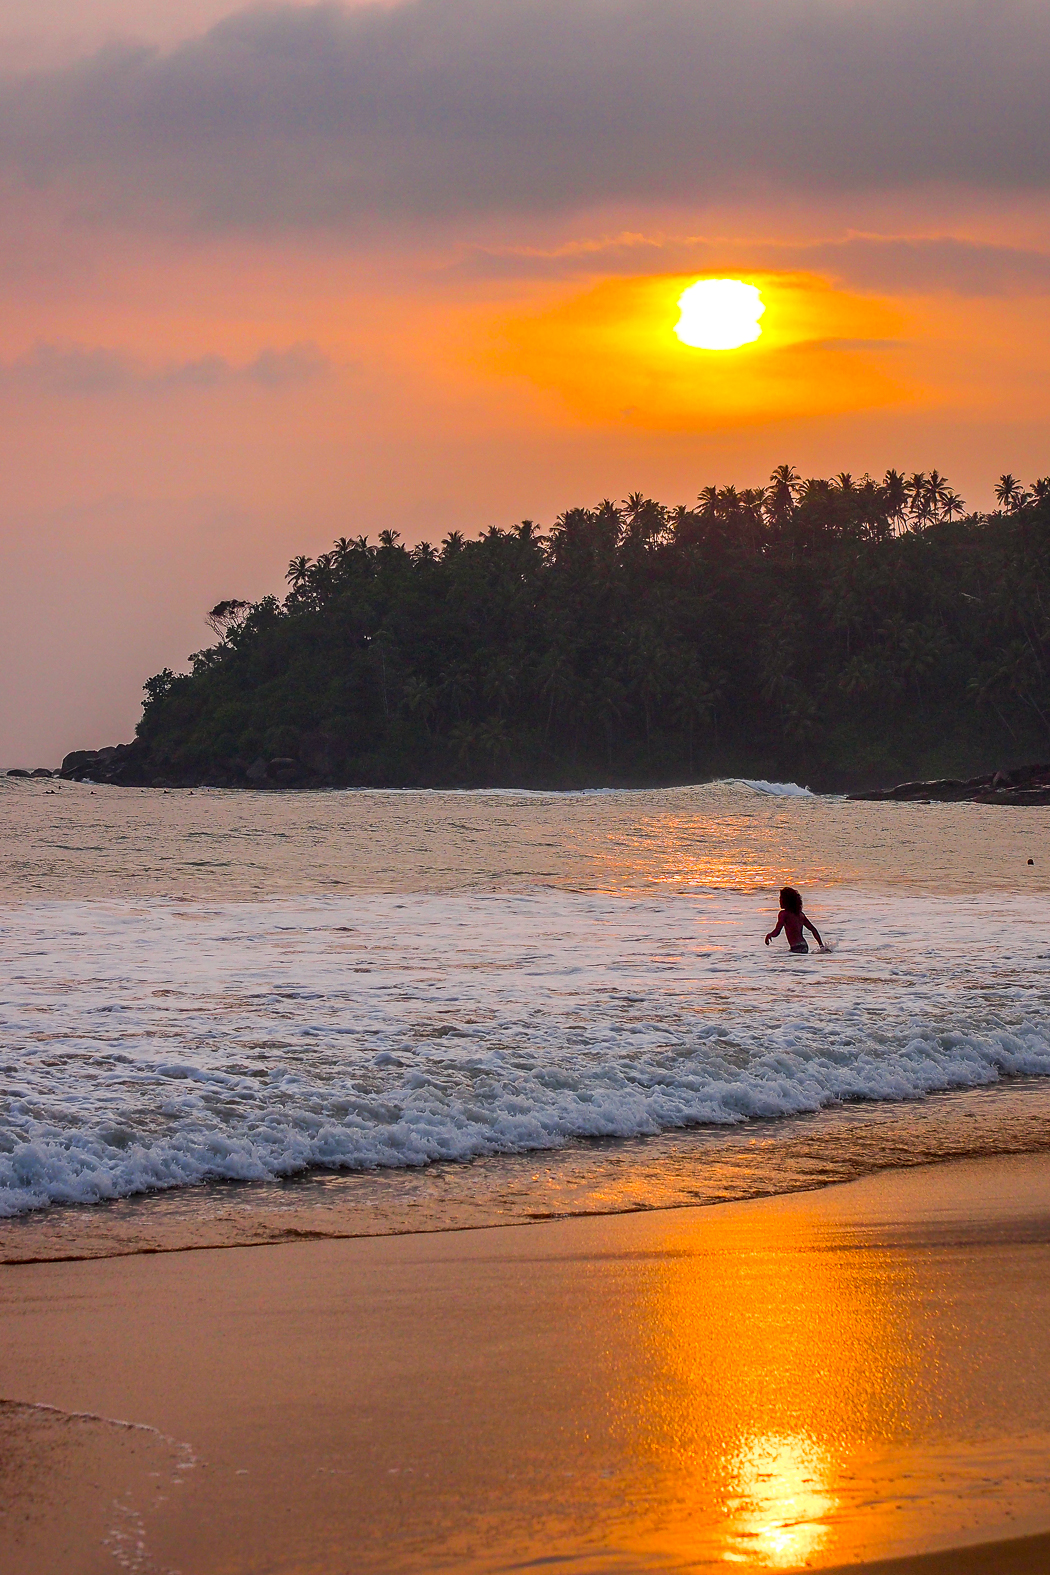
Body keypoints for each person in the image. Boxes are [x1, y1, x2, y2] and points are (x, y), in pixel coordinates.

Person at [765, 886, 824, 953]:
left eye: (781, 898)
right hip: (804, 946)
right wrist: (821, 945)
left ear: (786, 900)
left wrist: (769, 935)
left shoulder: (783, 914)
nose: (779, 901)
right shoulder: (800, 914)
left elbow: (777, 931)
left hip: (796, 947)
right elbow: (813, 929)